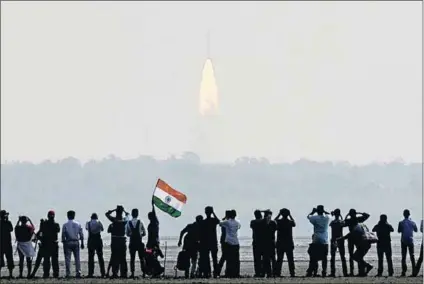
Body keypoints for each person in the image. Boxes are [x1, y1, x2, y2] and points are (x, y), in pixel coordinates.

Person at [341, 209, 373, 277]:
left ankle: (355, 271)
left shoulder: (349, 220)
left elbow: (343, 223)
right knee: (359, 255)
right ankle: (361, 271)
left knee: (353, 256)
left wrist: (347, 216)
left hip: (352, 238)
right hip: (358, 238)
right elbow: (367, 215)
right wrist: (359, 212)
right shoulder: (359, 219)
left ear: (350, 214)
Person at [30, 210, 60, 279]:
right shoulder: (56, 224)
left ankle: (46, 274)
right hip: (53, 244)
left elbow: (41, 232)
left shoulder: (45, 224)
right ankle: (55, 274)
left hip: (46, 244)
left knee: (47, 260)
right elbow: (57, 230)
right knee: (54, 260)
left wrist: (43, 223)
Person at [306, 205, 330, 277]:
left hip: (316, 239)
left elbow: (308, 216)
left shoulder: (315, 218)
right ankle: (324, 271)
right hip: (324, 240)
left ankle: (313, 271)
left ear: (317, 211)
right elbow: (329, 214)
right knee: (324, 258)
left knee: (314, 257)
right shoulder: (327, 218)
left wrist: (313, 212)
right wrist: (324, 211)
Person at [105, 205, 128, 278]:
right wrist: (124, 211)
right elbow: (129, 216)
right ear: (122, 212)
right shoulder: (124, 220)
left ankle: (115, 273)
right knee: (123, 258)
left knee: (115, 257)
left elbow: (107, 214)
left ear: (117, 212)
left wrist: (113, 210)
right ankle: (123, 274)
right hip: (122, 240)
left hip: (115, 240)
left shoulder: (114, 220)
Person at [199, 206, 220, 278]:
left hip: (205, 242)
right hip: (213, 242)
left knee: (206, 259)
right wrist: (213, 212)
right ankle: (215, 273)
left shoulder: (203, 222)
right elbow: (218, 221)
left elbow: (201, 233)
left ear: (205, 212)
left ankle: (207, 273)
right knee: (214, 259)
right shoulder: (213, 221)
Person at [62, 210, 84, 278]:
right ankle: (78, 272)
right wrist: (82, 243)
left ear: (68, 216)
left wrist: (63, 242)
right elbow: (81, 234)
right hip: (76, 241)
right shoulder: (78, 224)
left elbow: (63, 235)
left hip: (68, 242)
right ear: (74, 216)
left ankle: (68, 273)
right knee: (77, 258)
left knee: (67, 259)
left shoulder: (65, 224)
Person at [219, 209, 241, 278]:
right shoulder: (237, 223)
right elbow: (239, 227)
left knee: (229, 259)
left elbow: (220, 223)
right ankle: (236, 273)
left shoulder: (227, 222)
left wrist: (224, 219)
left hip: (229, 242)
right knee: (236, 259)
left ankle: (228, 273)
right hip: (236, 242)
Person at [274, 208, 296, 277]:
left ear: (282, 214)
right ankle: (292, 273)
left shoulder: (279, 222)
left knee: (279, 259)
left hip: (280, 243)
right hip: (289, 243)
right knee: (290, 259)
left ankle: (278, 273)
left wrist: (279, 214)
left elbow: (274, 220)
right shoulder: (290, 222)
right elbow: (294, 223)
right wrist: (290, 215)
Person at [126, 208, 146, 279]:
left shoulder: (129, 223)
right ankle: (143, 273)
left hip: (132, 242)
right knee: (141, 258)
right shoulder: (140, 222)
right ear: (137, 214)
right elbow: (144, 233)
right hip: (139, 242)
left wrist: (131, 234)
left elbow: (127, 234)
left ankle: (132, 273)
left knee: (132, 259)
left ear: (132, 214)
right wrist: (140, 235)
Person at [398, 209, 418, 277]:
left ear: (403, 214)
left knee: (403, 256)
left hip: (403, 240)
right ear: (409, 214)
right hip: (410, 240)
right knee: (412, 256)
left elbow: (399, 231)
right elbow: (416, 230)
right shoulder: (412, 222)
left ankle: (403, 271)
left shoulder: (401, 222)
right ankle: (414, 271)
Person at [329, 209, 348, 277]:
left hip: (334, 239)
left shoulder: (332, 222)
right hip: (340, 239)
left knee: (333, 257)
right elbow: (344, 223)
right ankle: (345, 272)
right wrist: (341, 216)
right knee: (342, 256)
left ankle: (332, 272)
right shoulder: (341, 222)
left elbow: (330, 225)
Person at [86, 213, 106, 278]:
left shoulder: (88, 223)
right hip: (98, 240)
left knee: (91, 257)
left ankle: (90, 273)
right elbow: (102, 229)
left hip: (91, 240)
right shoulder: (99, 222)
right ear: (97, 217)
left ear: (91, 217)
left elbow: (87, 229)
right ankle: (103, 273)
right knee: (100, 257)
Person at [261, 210, 277, 278]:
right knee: (273, 258)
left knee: (265, 259)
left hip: (265, 242)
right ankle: (274, 273)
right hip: (272, 241)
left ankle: (267, 272)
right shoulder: (273, 223)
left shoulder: (262, 222)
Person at [0, 210, 14, 279]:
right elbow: (11, 229)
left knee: (0, 259)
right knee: (10, 259)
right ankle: (10, 274)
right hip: (8, 244)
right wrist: (7, 219)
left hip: (1, 244)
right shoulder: (8, 222)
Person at [250, 210, 263, 277]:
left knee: (256, 258)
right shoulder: (263, 221)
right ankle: (263, 272)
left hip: (256, 241)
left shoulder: (253, 222)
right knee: (263, 258)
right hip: (263, 242)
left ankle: (257, 272)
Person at [217, 211, 231, 277]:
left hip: (223, 240)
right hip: (227, 240)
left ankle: (219, 271)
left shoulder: (224, 221)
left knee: (224, 256)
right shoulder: (227, 222)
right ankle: (221, 271)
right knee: (225, 256)